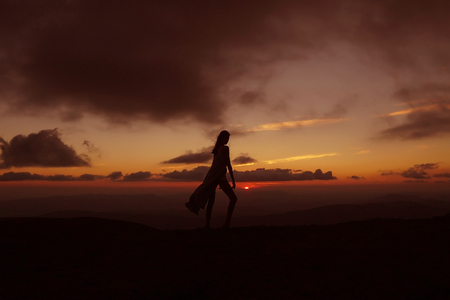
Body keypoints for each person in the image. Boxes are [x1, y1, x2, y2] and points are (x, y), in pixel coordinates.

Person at [185, 130, 237, 229]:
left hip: (212, 176)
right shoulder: (225, 149)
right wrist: (233, 181)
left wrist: (210, 179)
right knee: (233, 199)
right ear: (222, 138)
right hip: (219, 177)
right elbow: (228, 164)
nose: (227, 140)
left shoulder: (216, 149)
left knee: (211, 202)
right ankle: (226, 224)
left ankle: (207, 225)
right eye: (226, 138)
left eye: (228, 138)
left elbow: (214, 166)